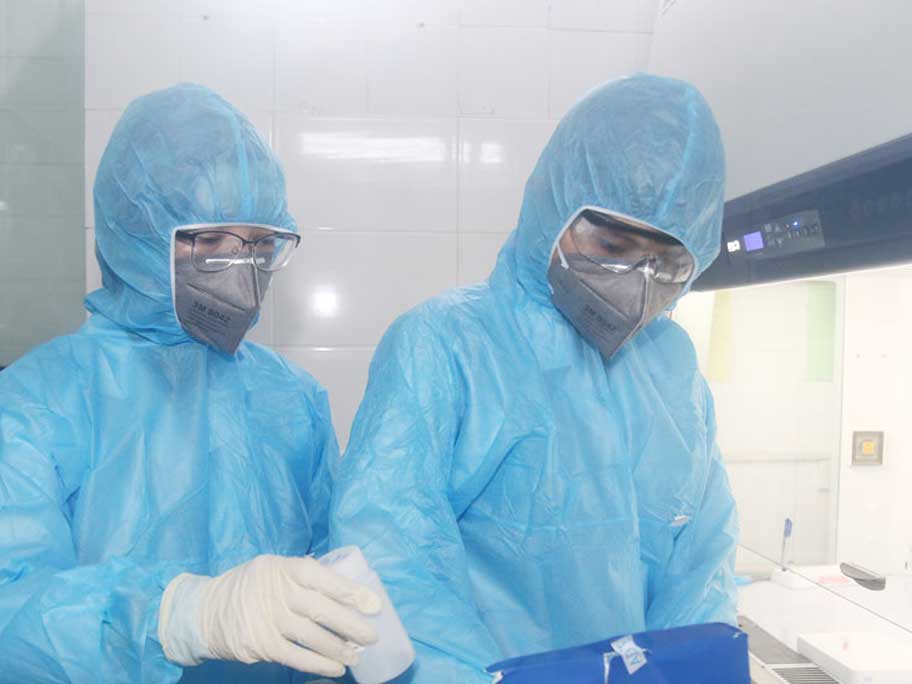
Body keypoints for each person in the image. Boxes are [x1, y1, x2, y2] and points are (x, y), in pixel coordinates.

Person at [329, 74, 738, 684]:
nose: (635, 280)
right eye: (613, 245)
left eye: (666, 263)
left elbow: (702, 561)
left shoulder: (672, 367)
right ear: (554, 207)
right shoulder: (447, 344)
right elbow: (390, 556)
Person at [0, 84, 381, 684]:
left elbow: (332, 578)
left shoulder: (292, 399)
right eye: (210, 242)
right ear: (138, 236)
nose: (242, 272)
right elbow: (11, 611)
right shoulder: (38, 403)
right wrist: (177, 615)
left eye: (260, 245)